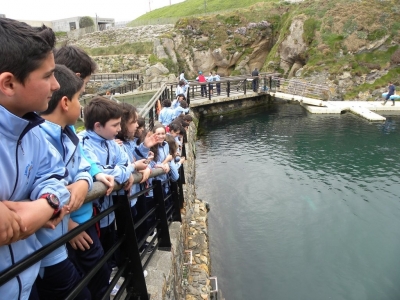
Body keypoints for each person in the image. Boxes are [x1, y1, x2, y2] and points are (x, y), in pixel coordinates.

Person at [0, 18, 71, 299]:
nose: (56, 85)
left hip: (27, 282)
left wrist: (46, 206)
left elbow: (55, 176)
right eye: (47, 76)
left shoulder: (34, 132)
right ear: (9, 83)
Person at [36, 64, 93, 300]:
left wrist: (82, 181)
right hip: (48, 249)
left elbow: (84, 167)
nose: (82, 106)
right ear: (66, 103)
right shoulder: (40, 136)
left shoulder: (67, 135)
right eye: (80, 98)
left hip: (58, 240)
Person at [77, 97, 136, 272]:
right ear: (97, 126)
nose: (119, 129)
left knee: (111, 245)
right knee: (98, 254)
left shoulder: (112, 143)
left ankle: (112, 275)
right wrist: (123, 171)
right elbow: (100, 172)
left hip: (110, 211)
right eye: (115, 125)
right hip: (95, 215)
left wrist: (122, 170)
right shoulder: (83, 143)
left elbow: (126, 163)